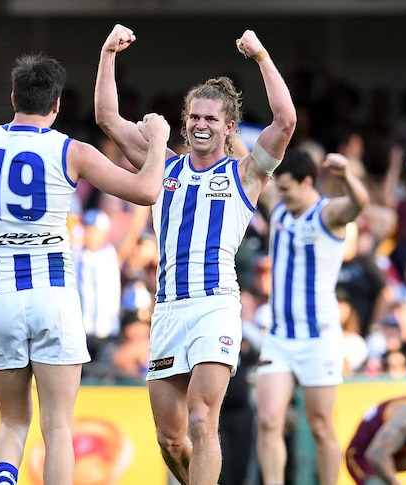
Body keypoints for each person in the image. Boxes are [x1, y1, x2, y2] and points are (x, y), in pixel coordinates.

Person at [0, 53, 169, 485]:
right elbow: (146, 189)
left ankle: (5, 479)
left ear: (13, 97)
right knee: (59, 427)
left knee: (11, 422)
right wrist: (158, 140)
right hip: (53, 295)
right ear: (57, 105)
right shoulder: (72, 150)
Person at [94, 24, 297, 484]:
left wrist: (262, 57)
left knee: (204, 420)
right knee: (170, 439)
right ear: (184, 121)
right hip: (167, 310)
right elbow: (107, 117)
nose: (200, 125)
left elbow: (285, 121)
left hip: (215, 305)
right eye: (194, 117)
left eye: (211, 119)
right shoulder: (161, 166)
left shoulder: (245, 174)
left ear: (228, 127)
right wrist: (108, 53)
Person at [256, 149, 370, 485]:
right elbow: (254, 165)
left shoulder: (328, 214)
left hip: (319, 337)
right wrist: (229, 134)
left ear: (308, 182)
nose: (282, 194)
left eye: (288, 188)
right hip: (278, 337)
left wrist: (347, 175)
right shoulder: (280, 208)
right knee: (268, 420)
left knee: (320, 426)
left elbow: (359, 205)